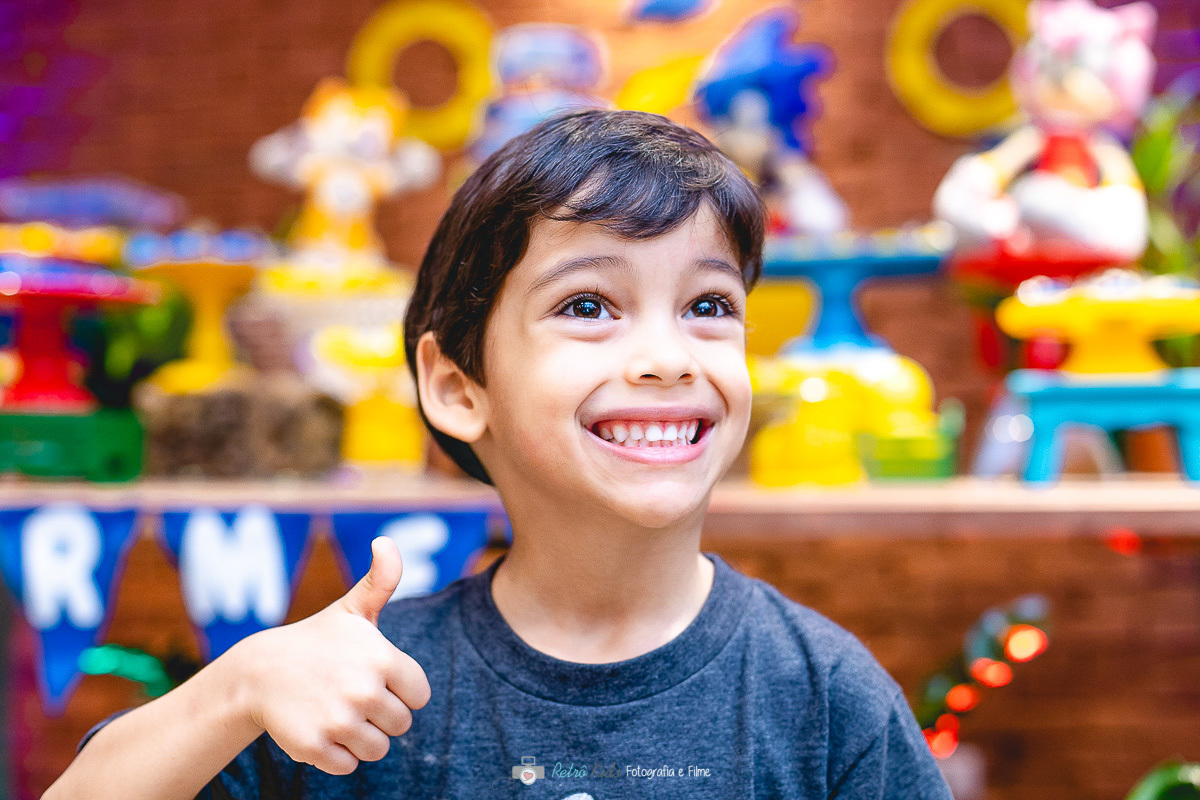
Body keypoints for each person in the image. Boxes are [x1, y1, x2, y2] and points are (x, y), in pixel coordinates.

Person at [47, 109, 952, 800]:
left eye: (709, 306)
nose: (670, 357)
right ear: (457, 385)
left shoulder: (822, 694)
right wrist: (235, 688)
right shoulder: (362, 687)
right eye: (589, 305)